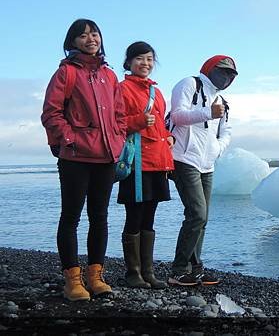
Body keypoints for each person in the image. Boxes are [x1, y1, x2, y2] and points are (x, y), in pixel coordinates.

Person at [41, 18, 126, 301]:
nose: (91, 38)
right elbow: (51, 113)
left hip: (106, 156)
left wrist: (118, 138)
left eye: (95, 33)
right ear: (72, 42)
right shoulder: (66, 73)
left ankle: (95, 277)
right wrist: (69, 139)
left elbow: (120, 115)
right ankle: (73, 281)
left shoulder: (109, 75)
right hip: (75, 156)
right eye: (83, 35)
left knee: (99, 217)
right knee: (71, 217)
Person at [168, 55, 238, 286]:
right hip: (183, 158)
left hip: (207, 163)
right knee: (197, 214)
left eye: (231, 75)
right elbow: (177, 115)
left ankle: (195, 269)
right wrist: (208, 113)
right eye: (223, 71)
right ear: (209, 69)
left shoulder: (221, 100)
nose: (226, 77)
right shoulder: (189, 84)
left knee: (202, 218)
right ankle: (178, 271)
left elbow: (226, 130)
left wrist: (218, 148)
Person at [118, 41, 174, 289]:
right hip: (136, 163)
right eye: (140, 58)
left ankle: (148, 272)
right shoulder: (122, 89)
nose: (145, 64)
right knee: (135, 214)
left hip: (157, 160)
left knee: (150, 216)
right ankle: (133, 273)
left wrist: (168, 136)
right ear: (128, 62)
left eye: (150, 59)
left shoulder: (156, 92)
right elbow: (115, 122)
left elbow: (160, 123)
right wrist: (138, 120)